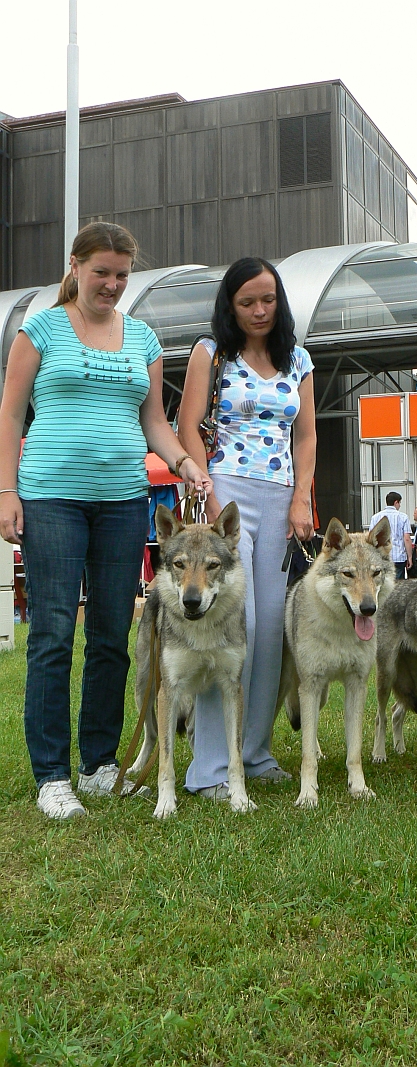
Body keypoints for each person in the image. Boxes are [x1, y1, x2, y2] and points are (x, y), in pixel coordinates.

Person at [0, 222, 212, 820]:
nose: (113, 285)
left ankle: (96, 764)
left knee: (113, 633)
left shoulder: (143, 340)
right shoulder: (37, 331)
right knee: (52, 633)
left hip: (123, 499)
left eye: (122, 275)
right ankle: (51, 776)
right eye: (102, 273)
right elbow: (10, 414)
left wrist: (184, 462)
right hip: (51, 497)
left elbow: (154, 423)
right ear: (75, 266)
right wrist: (6, 491)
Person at [178, 257, 316, 798]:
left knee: (271, 637)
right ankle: (209, 768)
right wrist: (207, 495)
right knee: (238, 628)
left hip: (281, 497)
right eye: (247, 302)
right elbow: (188, 426)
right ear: (229, 306)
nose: (260, 311)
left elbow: (304, 437)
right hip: (227, 496)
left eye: (268, 299)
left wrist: (303, 496)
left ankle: (255, 753)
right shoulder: (210, 354)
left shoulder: (299, 359)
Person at [369, 492, 412, 580]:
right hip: (399, 556)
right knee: (399, 585)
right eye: (400, 503)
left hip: (380, 557)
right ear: (396, 502)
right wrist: (410, 557)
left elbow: (370, 539)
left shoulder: (375, 517)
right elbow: (407, 539)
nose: (399, 505)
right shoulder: (403, 517)